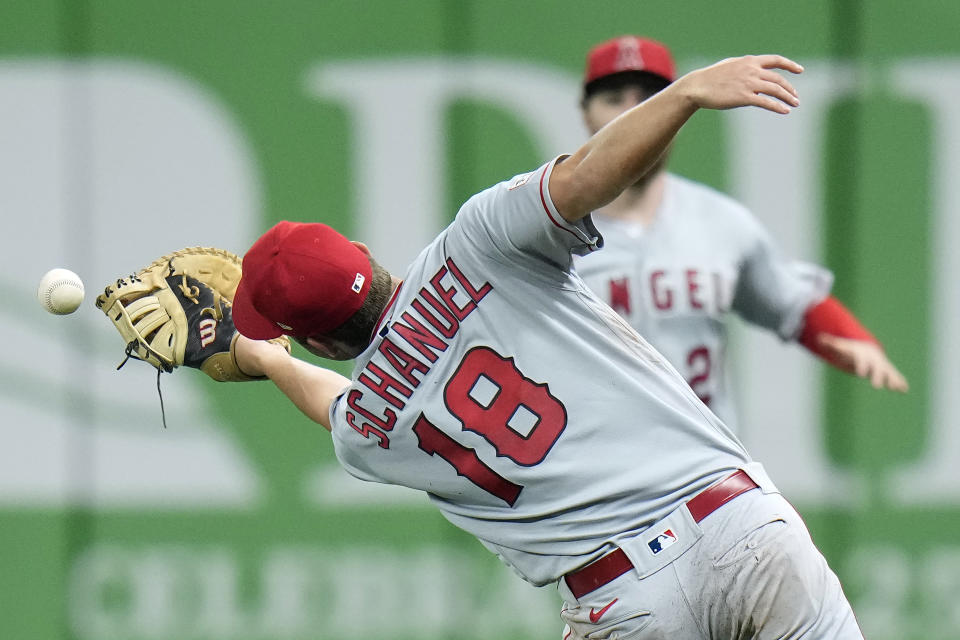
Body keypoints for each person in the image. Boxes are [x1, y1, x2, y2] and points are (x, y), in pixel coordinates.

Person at [228, 55, 865, 638]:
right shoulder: (477, 240)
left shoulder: (367, 432)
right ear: (363, 251)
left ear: (316, 339)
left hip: (626, 602)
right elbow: (589, 176)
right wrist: (685, 96)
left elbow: (336, 401)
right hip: (740, 528)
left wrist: (269, 360)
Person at [573, 35, 907, 429]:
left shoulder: (721, 221)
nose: (632, 115)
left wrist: (853, 339)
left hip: (705, 462)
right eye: (613, 100)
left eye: (649, 99)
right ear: (586, 113)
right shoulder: (545, 230)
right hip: (594, 461)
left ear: (675, 113)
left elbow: (791, 300)